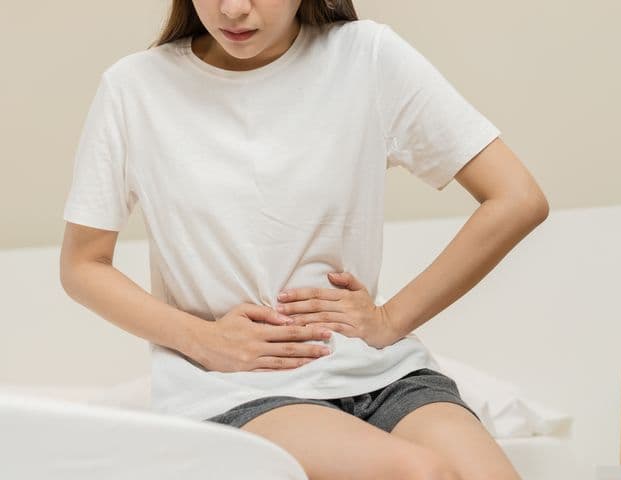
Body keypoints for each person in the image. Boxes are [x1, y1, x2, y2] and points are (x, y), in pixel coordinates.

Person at [60, 0, 547, 478]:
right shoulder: (134, 88)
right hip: (238, 387)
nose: (232, 9)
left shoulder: (367, 56)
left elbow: (517, 198)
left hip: (383, 374)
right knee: (417, 472)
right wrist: (204, 341)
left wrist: (391, 317)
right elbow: (83, 265)